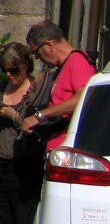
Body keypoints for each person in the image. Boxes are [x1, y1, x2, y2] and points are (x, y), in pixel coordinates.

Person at [0, 43, 45, 224]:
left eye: (14, 70)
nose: (10, 75)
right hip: (2, 164)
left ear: (26, 66)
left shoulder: (35, 89)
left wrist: (12, 114)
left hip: (26, 166)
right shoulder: (4, 87)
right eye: (5, 70)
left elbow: (34, 125)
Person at [20, 21, 95, 150]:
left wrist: (40, 116)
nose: (37, 58)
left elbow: (83, 99)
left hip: (68, 150)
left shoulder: (77, 61)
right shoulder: (64, 65)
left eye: (36, 52)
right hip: (57, 149)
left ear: (49, 45)